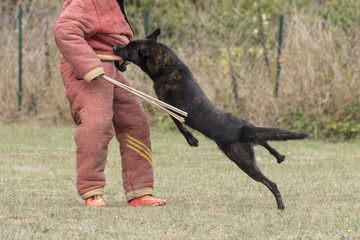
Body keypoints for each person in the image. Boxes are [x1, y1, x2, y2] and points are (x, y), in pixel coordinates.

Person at [53, 0, 166, 207]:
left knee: (136, 122)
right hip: (88, 70)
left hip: (109, 67)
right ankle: (91, 191)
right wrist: (89, 66)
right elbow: (64, 29)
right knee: (97, 124)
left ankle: (139, 191)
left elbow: (108, 35)